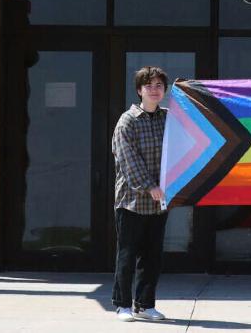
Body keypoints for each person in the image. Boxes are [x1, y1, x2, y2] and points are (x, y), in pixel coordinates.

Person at [111, 66, 171, 322]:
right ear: (139, 90)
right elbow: (128, 160)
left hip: (160, 202)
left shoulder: (168, 118)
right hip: (132, 201)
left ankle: (145, 305)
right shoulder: (127, 121)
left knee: (152, 256)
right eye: (149, 86)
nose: (154, 90)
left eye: (159, 86)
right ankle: (122, 305)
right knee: (127, 254)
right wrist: (149, 186)